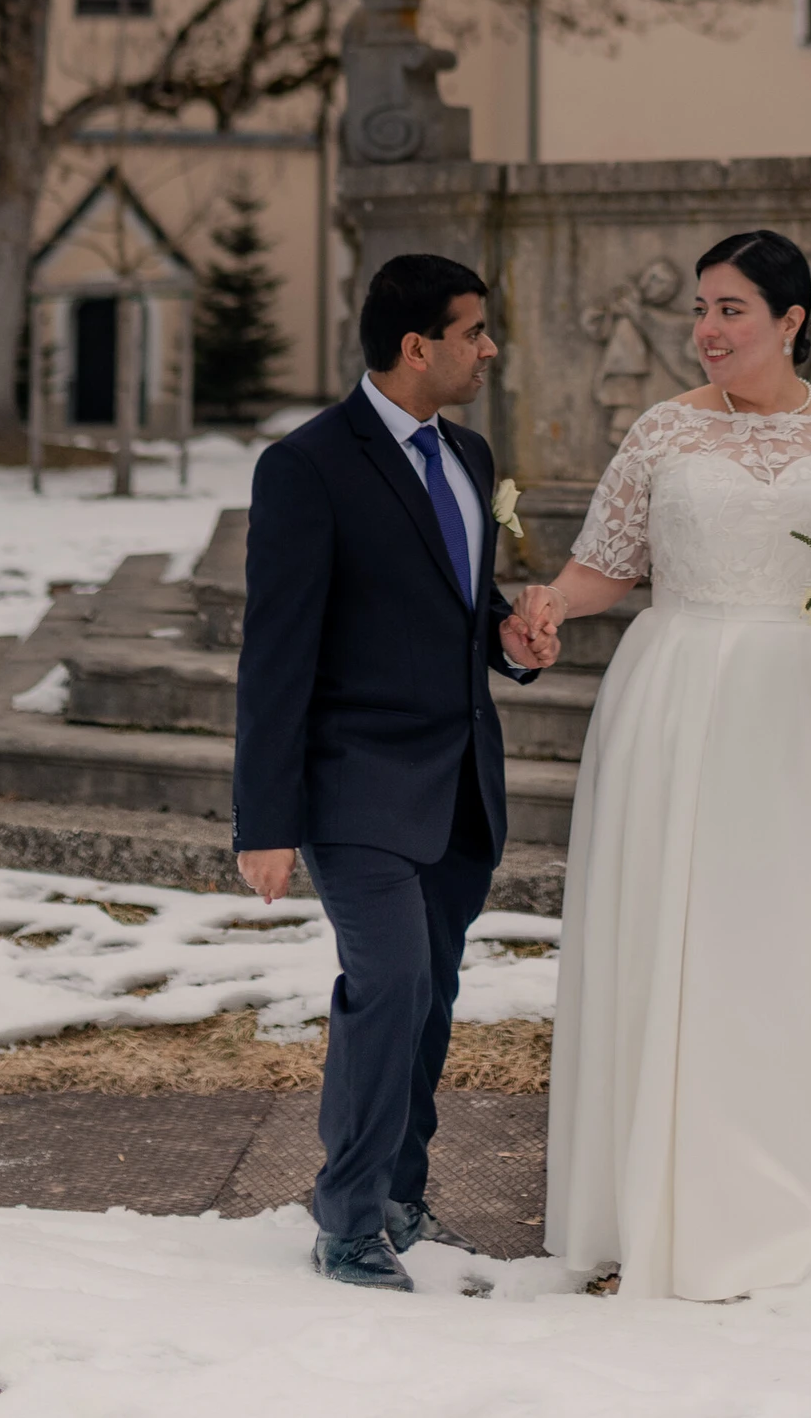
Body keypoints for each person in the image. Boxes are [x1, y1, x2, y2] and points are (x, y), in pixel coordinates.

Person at [514, 229, 811, 1302]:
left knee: (796, 931)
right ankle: (670, 1178)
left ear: (790, 321)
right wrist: (547, 607)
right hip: (682, 698)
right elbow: (604, 563)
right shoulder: (660, 434)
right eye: (700, 310)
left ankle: (804, 1164)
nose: (706, 331)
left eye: (731, 310)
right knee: (683, 927)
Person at [232, 253, 557, 1291]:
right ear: (416, 347)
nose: (488, 350)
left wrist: (509, 641)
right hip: (355, 785)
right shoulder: (306, 467)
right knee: (391, 986)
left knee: (432, 995)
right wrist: (263, 821)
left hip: (459, 784)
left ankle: (401, 1200)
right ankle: (347, 1217)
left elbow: (457, 608)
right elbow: (275, 654)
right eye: (474, 332)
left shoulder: (466, 453)